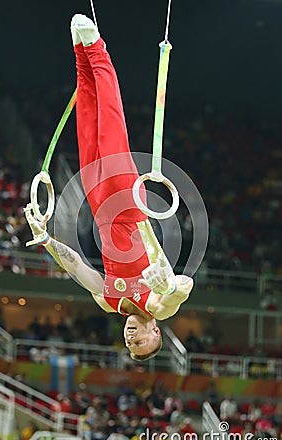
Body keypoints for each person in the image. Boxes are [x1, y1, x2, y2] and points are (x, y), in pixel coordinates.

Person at [24, 13, 194, 361]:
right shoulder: (159, 307)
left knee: (87, 124)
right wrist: (169, 284)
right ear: (154, 331)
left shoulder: (108, 300)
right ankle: (97, 48)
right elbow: (185, 288)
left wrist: (46, 239)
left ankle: (79, 53)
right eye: (141, 340)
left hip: (99, 206)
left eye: (129, 343)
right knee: (110, 127)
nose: (131, 337)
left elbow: (77, 267)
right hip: (129, 207)